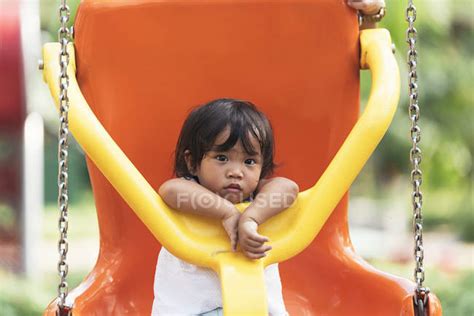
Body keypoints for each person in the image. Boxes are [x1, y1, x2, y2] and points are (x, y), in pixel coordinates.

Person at [152, 98, 299, 315]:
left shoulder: (258, 197)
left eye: (249, 162)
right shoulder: (189, 194)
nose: (236, 172)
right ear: (192, 162)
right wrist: (226, 212)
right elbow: (170, 190)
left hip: (257, 309)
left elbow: (289, 188)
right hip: (195, 310)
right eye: (222, 158)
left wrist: (251, 218)